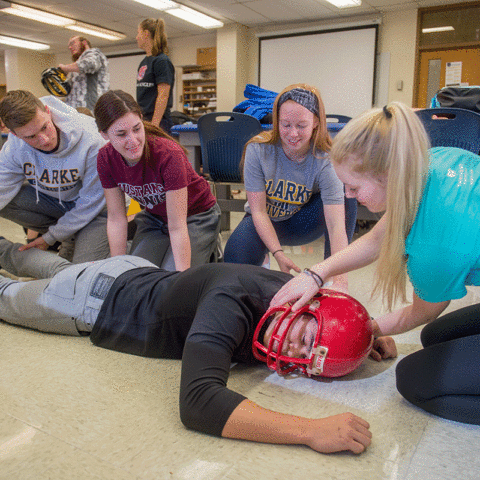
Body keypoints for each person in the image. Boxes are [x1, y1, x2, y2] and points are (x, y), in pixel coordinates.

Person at [0, 236, 371, 454]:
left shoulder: (292, 291)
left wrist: (367, 338)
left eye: (306, 359)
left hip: (129, 270)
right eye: (305, 338)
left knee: (55, 267)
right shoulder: (231, 302)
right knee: (9, 296)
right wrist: (309, 431)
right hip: (93, 301)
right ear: (312, 305)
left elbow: (337, 325)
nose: (292, 350)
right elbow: (198, 404)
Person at [271, 102, 480, 425]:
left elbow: (420, 312)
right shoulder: (431, 162)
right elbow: (376, 240)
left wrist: (361, 334)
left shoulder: (434, 247)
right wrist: (317, 273)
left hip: (445, 241)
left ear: (388, 177)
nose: (350, 195)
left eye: (354, 187)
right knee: (436, 337)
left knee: (414, 379)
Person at [223, 84, 357, 292]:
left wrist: (340, 283)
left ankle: (331, 280)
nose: (293, 134)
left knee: (347, 197)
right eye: (285, 125)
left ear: (315, 123)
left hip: (302, 221)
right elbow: (258, 211)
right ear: (277, 121)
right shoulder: (257, 149)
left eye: (301, 126)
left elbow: (336, 225)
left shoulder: (326, 159)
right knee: (233, 263)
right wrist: (278, 253)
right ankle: (263, 257)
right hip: (265, 220)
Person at [94, 90, 220, 271]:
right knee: (137, 275)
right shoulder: (105, 158)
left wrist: (180, 280)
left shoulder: (168, 154)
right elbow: (116, 218)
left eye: (137, 129)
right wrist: (118, 270)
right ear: (104, 134)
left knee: (169, 280)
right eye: (121, 134)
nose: (133, 140)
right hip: (155, 217)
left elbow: (177, 226)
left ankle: (211, 249)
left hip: (196, 216)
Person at [0, 90, 109, 263]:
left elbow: (92, 202)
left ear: (48, 111)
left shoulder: (92, 138)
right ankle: (70, 235)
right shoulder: (15, 146)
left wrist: (49, 238)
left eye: (44, 127)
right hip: (59, 204)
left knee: (82, 273)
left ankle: (78, 236)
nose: (44, 140)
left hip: (98, 210)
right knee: (7, 202)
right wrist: (58, 233)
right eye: (31, 136)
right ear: (15, 135)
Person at [136, 18, 175, 133]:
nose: (136, 37)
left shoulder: (161, 61)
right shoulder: (144, 62)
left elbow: (163, 95)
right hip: (145, 119)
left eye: (138, 32)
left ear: (146, 33)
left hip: (158, 121)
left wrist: (155, 125)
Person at [59, 36, 110, 112]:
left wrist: (64, 68)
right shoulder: (76, 67)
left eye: (73, 43)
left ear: (84, 43)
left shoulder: (94, 54)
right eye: (69, 45)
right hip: (76, 111)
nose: (70, 47)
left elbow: (89, 64)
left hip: (90, 111)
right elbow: (68, 90)